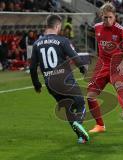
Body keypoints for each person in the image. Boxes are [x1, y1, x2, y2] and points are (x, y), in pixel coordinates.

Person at [30, 14, 89, 144]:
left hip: (50, 83)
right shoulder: (62, 40)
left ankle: (81, 137)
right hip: (64, 80)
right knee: (80, 103)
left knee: (68, 108)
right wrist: (83, 69)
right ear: (57, 26)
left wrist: (37, 85)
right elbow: (74, 57)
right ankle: (78, 123)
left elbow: (33, 67)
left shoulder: (36, 44)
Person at [87, 2, 123, 133]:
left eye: (110, 17)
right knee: (90, 96)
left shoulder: (121, 30)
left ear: (115, 17)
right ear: (101, 16)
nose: (107, 20)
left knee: (119, 86)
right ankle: (100, 125)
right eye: (104, 17)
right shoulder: (97, 27)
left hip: (116, 64)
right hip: (101, 66)